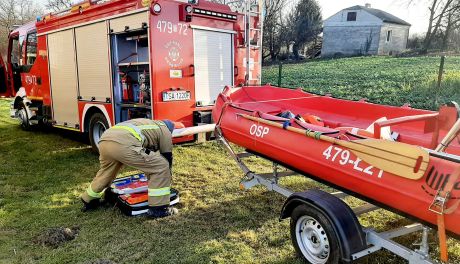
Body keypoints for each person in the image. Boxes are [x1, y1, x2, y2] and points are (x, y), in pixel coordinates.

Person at [81, 118, 178, 218]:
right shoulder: (165, 130)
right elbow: (167, 157)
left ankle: (89, 200)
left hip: (105, 140)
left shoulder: (148, 123)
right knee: (161, 165)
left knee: (106, 172)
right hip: (124, 144)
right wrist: (166, 177)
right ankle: (159, 209)